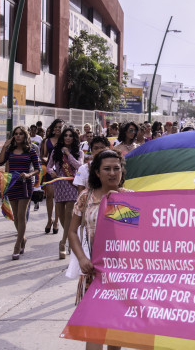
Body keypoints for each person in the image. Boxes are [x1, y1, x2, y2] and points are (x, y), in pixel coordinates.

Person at [69, 149, 132, 350]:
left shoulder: (131, 199)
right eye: (107, 169)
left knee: (114, 334)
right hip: (93, 273)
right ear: (97, 172)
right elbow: (72, 232)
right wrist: (81, 259)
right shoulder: (85, 198)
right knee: (94, 331)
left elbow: (137, 234)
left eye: (116, 168)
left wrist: (118, 204)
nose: (112, 173)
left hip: (120, 274)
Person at [0, 126, 41, 259]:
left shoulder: (31, 151)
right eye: (16, 134)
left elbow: (37, 169)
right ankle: (23, 239)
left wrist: (28, 174)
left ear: (25, 135)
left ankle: (17, 245)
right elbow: (0, 161)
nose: (18, 136)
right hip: (12, 183)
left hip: (25, 184)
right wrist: (5, 146)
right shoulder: (10, 150)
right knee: (15, 216)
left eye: (21, 134)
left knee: (21, 215)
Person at [47, 127, 84, 259]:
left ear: (74, 138)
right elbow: (49, 166)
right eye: (65, 135)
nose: (68, 138)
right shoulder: (55, 152)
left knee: (69, 213)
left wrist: (68, 154)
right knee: (61, 216)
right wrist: (51, 172)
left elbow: (79, 166)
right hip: (59, 185)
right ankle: (69, 238)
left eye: (70, 136)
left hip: (72, 185)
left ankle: (63, 242)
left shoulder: (78, 152)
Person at [41, 119, 64, 234]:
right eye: (56, 127)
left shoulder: (65, 140)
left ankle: (56, 221)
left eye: (60, 127)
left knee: (59, 197)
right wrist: (46, 160)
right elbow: (44, 155)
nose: (57, 129)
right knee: (49, 195)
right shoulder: (47, 141)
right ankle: (49, 219)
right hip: (50, 170)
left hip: (62, 170)